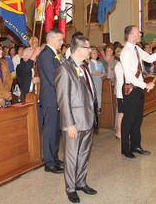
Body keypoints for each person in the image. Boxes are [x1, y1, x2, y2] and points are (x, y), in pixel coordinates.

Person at [55, 35, 98, 203]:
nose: (90, 50)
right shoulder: (64, 69)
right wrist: (70, 124)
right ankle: (70, 188)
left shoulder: (83, 67)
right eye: (88, 48)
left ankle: (81, 182)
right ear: (79, 49)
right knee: (72, 156)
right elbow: (63, 100)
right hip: (74, 122)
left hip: (87, 118)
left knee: (84, 154)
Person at [120, 25, 156, 158]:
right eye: (138, 32)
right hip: (130, 88)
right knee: (128, 120)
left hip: (138, 89)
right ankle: (125, 148)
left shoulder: (137, 48)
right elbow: (130, 75)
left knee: (137, 119)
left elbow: (149, 58)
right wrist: (145, 85)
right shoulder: (125, 52)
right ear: (131, 35)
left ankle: (136, 145)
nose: (140, 34)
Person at [37, 28, 64, 174]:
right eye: (60, 39)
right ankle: (49, 162)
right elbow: (53, 77)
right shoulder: (46, 55)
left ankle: (54, 157)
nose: (62, 42)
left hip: (56, 97)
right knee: (49, 130)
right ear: (52, 39)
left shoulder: (53, 54)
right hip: (50, 98)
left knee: (55, 130)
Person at [88, 46, 106, 111]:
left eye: (96, 53)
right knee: (95, 95)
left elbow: (104, 73)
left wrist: (101, 74)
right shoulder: (89, 63)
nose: (95, 54)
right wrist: (96, 74)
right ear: (90, 54)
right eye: (93, 53)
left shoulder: (99, 63)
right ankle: (96, 108)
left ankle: (99, 109)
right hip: (93, 81)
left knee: (100, 95)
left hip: (100, 81)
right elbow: (91, 73)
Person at [114, 45, 124, 140]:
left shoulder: (123, 64)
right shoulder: (119, 65)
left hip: (124, 92)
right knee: (121, 113)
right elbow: (122, 82)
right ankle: (118, 132)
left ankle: (121, 131)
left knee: (124, 113)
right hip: (122, 93)